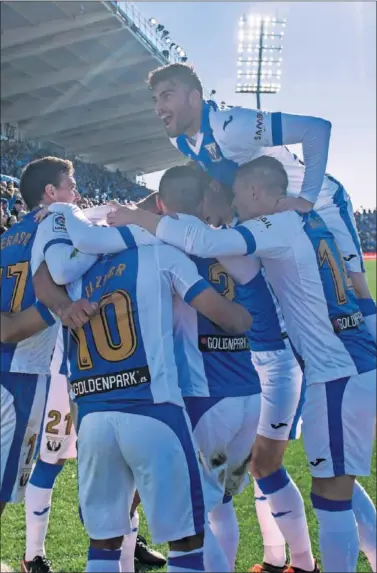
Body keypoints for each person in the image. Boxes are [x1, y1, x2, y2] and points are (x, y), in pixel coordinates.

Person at [107, 155, 376, 573]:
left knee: (319, 492)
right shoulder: (300, 222)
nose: (233, 206)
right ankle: (294, 561)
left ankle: (304, 563)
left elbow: (205, 245)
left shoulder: (276, 225)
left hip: (318, 370)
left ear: (253, 191)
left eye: (235, 196)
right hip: (282, 376)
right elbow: (227, 256)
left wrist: (138, 218)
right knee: (323, 487)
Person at [34, 233, 252, 573]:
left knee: (103, 543)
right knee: (187, 541)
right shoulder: (159, 253)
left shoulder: (72, 272)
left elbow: (41, 276)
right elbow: (233, 320)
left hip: (94, 417)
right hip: (153, 411)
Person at [147, 63, 376, 343]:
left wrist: (306, 199)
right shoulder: (181, 141)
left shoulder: (230, 126)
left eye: (167, 95)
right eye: (156, 99)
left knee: (355, 287)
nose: (158, 107)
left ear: (194, 98)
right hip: (274, 217)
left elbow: (316, 129)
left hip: (322, 204)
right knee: (293, 300)